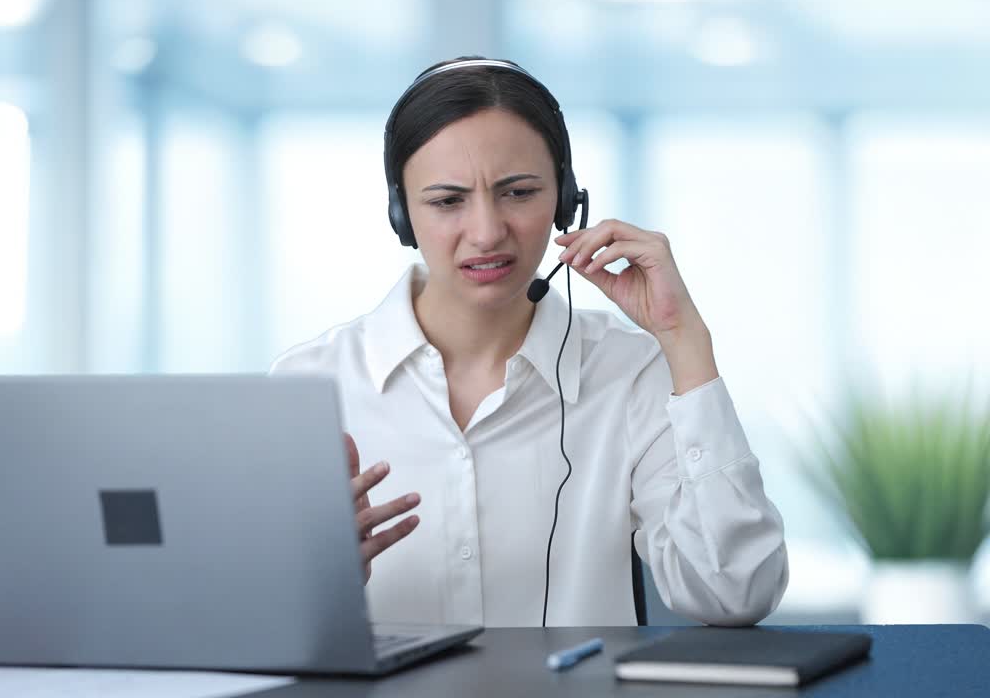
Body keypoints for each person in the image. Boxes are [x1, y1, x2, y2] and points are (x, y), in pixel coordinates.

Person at [270, 57, 788, 627]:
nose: (488, 231)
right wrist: (309, 583)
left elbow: (735, 595)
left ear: (567, 199)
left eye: (517, 193)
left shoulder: (629, 373)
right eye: (447, 201)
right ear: (402, 214)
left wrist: (684, 339)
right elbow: (252, 630)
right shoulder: (308, 385)